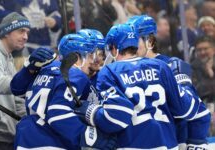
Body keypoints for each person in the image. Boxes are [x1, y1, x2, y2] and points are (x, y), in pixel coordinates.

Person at [73, 23, 204, 149]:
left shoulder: (110, 71)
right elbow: (186, 109)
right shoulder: (160, 66)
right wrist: (184, 83)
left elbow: (116, 118)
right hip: (168, 144)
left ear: (113, 48)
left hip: (132, 144)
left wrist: (91, 112)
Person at [10, 34, 116, 149]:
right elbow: (57, 112)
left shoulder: (44, 69)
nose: (96, 61)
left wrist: (28, 69)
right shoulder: (75, 75)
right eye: (92, 56)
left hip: (25, 139)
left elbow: (17, 90)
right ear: (75, 57)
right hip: (53, 141)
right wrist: (91, 137)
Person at [127, 14, 211, 149]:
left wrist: (196, 143)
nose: (128, 46)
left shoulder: (171, 66)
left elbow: (200, 113)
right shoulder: (125, 70)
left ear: (150, 41)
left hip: (175, 142)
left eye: (133, 40)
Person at [0, 12, 30, 150]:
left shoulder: (8, 57)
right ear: (6, 32)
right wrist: (26, 78)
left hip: (7, 137)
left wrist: (30, 119)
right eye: (21, 31)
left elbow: (16, 98)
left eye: (27, 32)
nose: (26, 37)